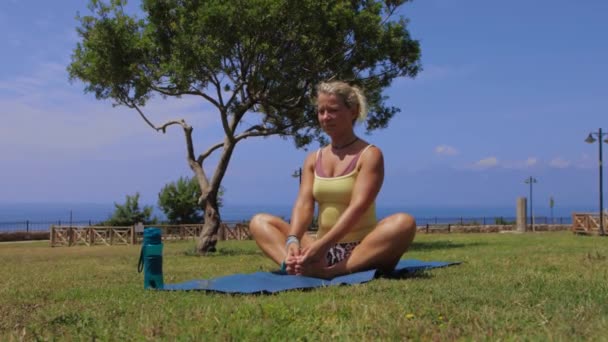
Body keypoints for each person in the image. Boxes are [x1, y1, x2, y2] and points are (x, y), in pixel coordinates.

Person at [249, 81, 416, 279]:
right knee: (259, 222)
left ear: (353, 111)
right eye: (321, 111)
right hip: (320, 247)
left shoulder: (370, 155)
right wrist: (293, 240)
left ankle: (332, 272)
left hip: (361, 249)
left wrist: (322, 245)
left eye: (333, 110)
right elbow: (304, 204)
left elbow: (358, 207)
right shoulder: (313, 158)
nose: (326, 117)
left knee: (404, 222)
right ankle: (292, 265)